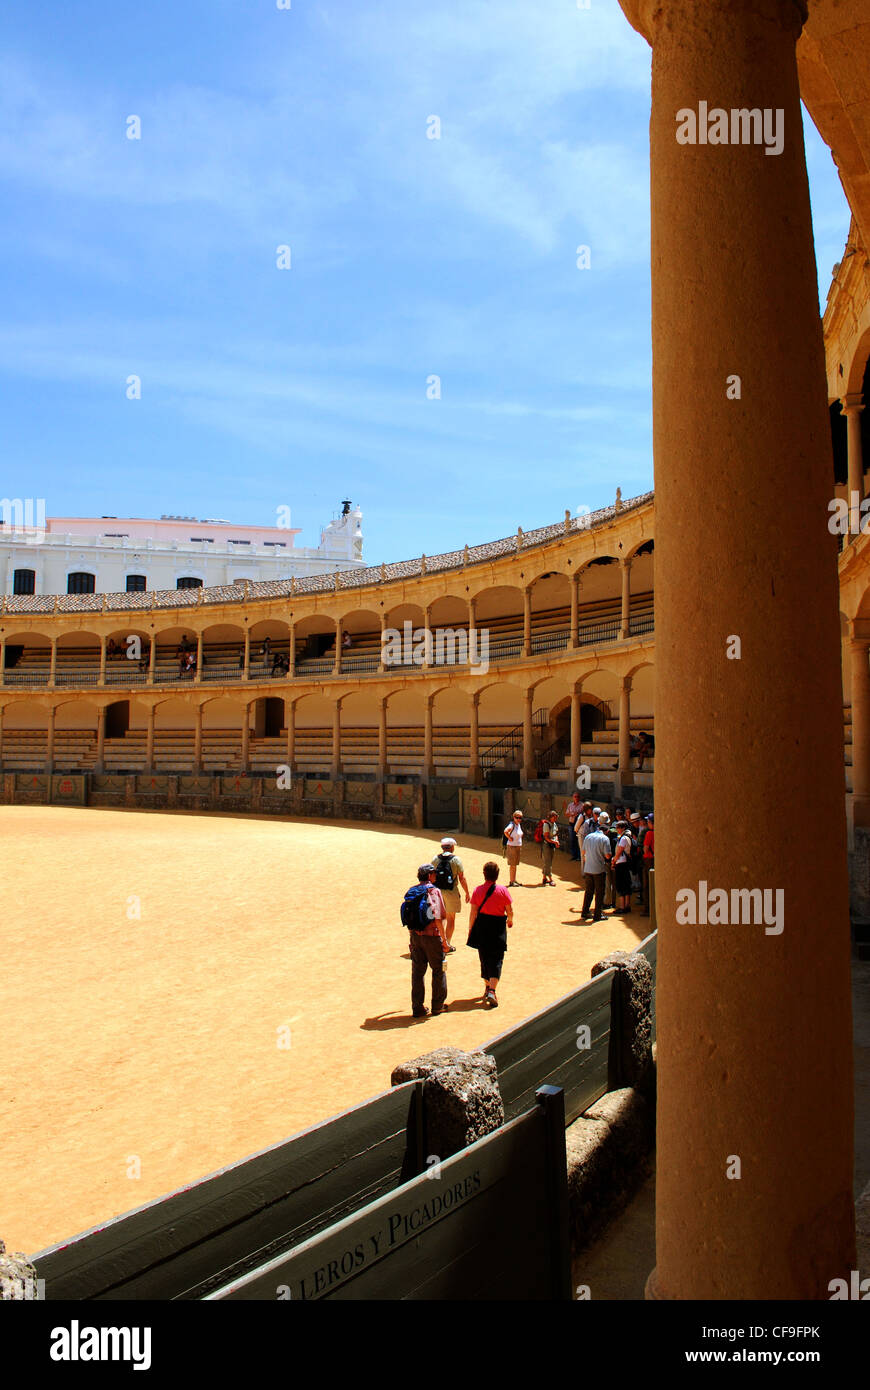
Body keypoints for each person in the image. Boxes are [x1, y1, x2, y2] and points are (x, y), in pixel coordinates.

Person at [402, 864, 449, 1018]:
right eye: (434, 873)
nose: (435, 875)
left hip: (416, 936)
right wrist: (444, 940)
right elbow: (438, 917)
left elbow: (408, 917)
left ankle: (417, 1007)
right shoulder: (433, 891)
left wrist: (411, 937)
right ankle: (437, 1005)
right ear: (429, 875)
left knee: (417, 972)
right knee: (439, 970)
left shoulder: (412, 891)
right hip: (432, 936)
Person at [467, 861, 513, 1008]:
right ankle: (492, 990)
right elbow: (509, 910)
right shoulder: (503, 890)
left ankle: (488, 986)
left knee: (484, 957)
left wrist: (470, 929)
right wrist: (510, 921)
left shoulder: (477, 890)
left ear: (484, 874)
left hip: (481, 926)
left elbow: (473, 912)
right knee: (497, 958)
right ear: (497, 875)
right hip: (498, 926)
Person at [431, 836, 470, 951]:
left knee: (438, 918)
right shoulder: (456, 860)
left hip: (437, 892)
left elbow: (430, 875)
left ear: (442, 847)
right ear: (452, 847)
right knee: (450, 919)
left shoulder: (435, 859)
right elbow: (462, 878)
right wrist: (467, 892)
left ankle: (439, 942)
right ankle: (446, 944)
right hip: (451, 892)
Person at [577, 815, 611, 922]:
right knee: (600, 892)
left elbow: (583, 852)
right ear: (606, 830)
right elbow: (607, 856)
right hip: (599, 869)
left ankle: (585, 911)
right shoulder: (605, 839)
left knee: (589, 891)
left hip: (588, 869)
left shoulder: (588, 837)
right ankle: (597, 914)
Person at [612, 820, 634, 913]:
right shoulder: (627, 837)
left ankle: (622, 906)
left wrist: (614, 861)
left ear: (623, 828)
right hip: (625, 863)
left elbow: (619, 852)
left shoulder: (623, 838)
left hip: (621, 864)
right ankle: (627, 905)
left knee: (621, 885)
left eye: (618, 827)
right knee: (626, 884)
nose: (617, 829)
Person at [503, 810, 524, 886]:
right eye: (517, 817)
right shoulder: (512, 824)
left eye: (520, 818)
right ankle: (511, 881)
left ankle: (514, 880)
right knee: (512, 865)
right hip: (512, 847)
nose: (519, 819)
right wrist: (509, 837)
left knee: (515, 865)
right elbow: (505, 831)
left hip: (517, 846)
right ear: (514, 817)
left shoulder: (518, 825)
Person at [641, 812, 655, 916]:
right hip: (656, 860)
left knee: (647, 885)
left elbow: (645, 849)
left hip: (649, 860)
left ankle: (648, 909)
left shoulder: (649, 833)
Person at [541, 811, 560, 885]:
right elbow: (546, 837)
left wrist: (556, 841)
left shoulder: (554, 824)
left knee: (548, 862)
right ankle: (550, 879)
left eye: (556, 817)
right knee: (548, 863)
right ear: (550, 817)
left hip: (552, 845)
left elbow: (556, 834)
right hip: (547, 846)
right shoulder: (546, 825)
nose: (555, 818)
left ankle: (544, 878)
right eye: (554, 817)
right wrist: (554, 842)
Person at [563, 791, 583, 861]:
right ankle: (574, 855)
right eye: (575, 796)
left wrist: (577, 814)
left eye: (577, 796)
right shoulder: (570, 805)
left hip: (579, 825)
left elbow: (583, 814)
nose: (576, 798)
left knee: (579, 840)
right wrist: (571, 814)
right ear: (573, 798)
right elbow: (566, 814)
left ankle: (579, 856)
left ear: (579, 797)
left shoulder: (582, 805)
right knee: (572, 840)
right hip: (571, 824)